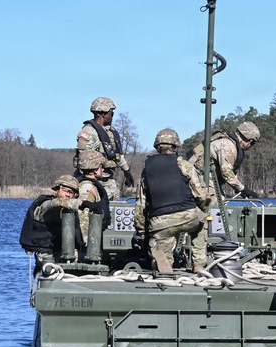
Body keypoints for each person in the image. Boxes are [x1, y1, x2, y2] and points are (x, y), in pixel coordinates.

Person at [135, 128, 214, 274]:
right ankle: (198, 265)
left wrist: (142, 230)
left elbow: (140, 205)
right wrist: (203, 208)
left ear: (157, 146)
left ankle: (163, 259)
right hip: (187, 217)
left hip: (160, 222)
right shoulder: (184, 165)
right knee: (201, 223)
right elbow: (202, 196)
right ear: (175, 145)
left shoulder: (147, 170)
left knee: (163, 240)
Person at [22, 174, 101, 267]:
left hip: (64, 252)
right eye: (65, 191)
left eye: (71, 193)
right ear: (57, 189)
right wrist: (81, 203)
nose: (68, 194)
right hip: (47, 255)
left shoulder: (69, 210)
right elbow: (58, 203)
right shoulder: (47, 204)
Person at [76, 96, 134, 201]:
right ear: (103, 113)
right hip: (94, 183)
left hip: (109, 181)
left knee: (113, 212)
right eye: (111, 113)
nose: (112, 116)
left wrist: (126, 171)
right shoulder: (89, 132)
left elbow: (117, 154)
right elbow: (84, 159)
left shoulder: (109, 132)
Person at [191, 121, 261, 198]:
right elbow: (226, 171)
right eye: (252, 142)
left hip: (204, 176)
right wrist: (242, 188)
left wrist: (238, 189)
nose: (251, 146)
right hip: (197, 175)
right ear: (248, 139)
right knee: (216, 201)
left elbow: (230, 172)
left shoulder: (232, 145)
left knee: (220, 199)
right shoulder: (228, 146)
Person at [74, 149, 111, 244]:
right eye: (101, 166)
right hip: (86, 244)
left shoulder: (88, 185)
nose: (103, 169)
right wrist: (88, 245)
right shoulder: (87, 187)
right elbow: (83, 217)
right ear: (95, 169)